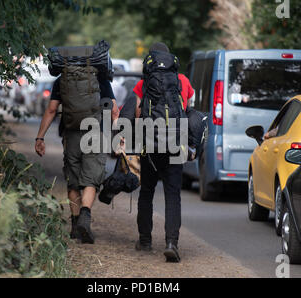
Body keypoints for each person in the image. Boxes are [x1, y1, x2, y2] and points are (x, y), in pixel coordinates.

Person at [35, 72, 119, 244]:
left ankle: (75, 226)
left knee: (73, 180)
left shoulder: (62, 80)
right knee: (91, 178)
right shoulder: (100, 78)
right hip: (97, 133)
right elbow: (114, 110)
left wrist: (40, 137)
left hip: (71, 134)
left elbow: (51, 109)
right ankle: (85, 217)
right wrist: (119, 136)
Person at [133, 42, 194, 262]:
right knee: (172, 194)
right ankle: (171, 242)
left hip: (150, 142)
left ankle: (145, 240)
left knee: (147, 191)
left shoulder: (144, 82)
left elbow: (138, 113)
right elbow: (188, 112)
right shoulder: (182, 81)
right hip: (176, 143)